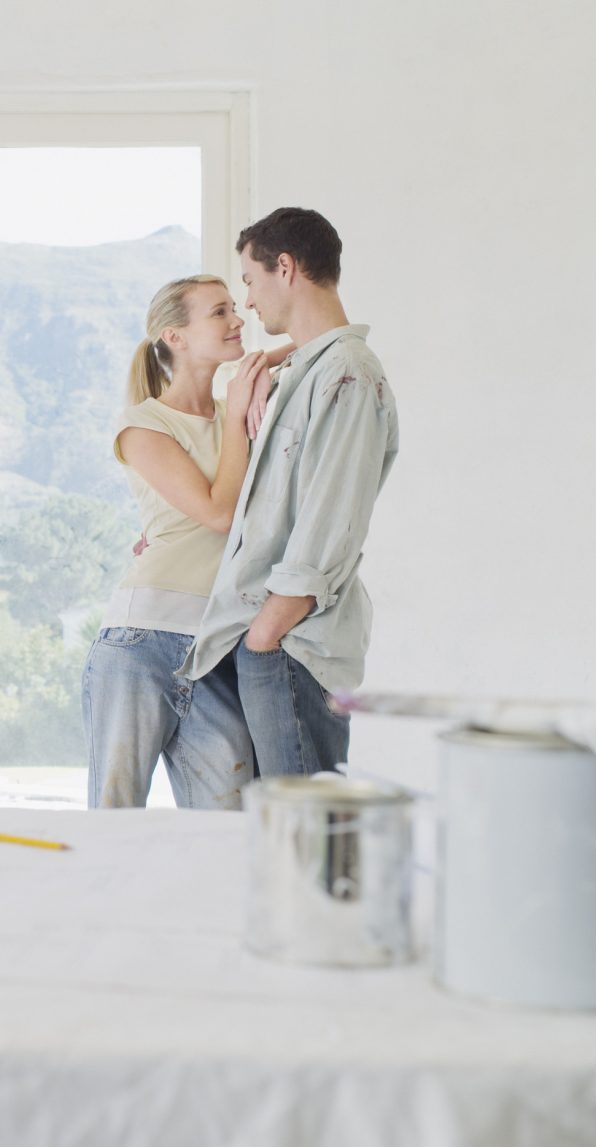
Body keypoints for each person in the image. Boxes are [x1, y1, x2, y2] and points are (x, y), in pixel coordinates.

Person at [177, 207, 399, 776]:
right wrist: (272, 365)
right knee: (279, 840)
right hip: (274, 642)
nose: (247, 302)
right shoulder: (317, 370)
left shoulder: (348, 374)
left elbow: (332, 519)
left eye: (249, 281)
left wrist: (266, 634)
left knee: (307, 846)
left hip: (291, 645)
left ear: (285, 266)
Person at [82, 274, 273, 810]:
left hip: (216, 646)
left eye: (235, 307)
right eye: (219, 312)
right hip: (141, 642)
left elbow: (309, 351)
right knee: (114, 813)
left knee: (227, 821)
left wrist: (244, 396)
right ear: (175, 336)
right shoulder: (143, 426)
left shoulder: (244, 406)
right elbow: (218, 512)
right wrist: (236, 413)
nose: (238, 319)